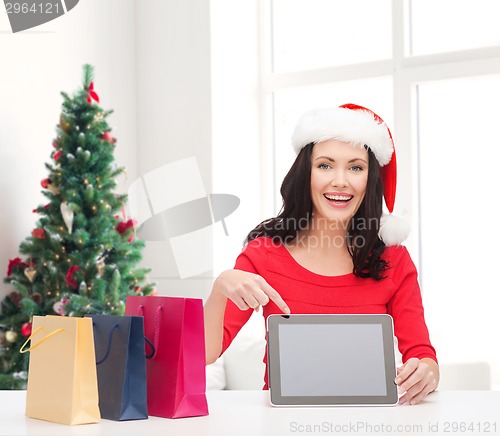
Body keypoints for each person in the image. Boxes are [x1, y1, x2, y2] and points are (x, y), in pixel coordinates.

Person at [204, 103, 439, 405]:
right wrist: (220, 287)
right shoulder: (262, 255)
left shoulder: (394, 259)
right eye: (325, 165)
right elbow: (204, 355)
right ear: (306, 173)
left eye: (356, 167)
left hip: (369, 423)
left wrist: (425, 374)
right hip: (281, 425)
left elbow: (422, 355)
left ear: (370, 180)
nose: (340, 180)